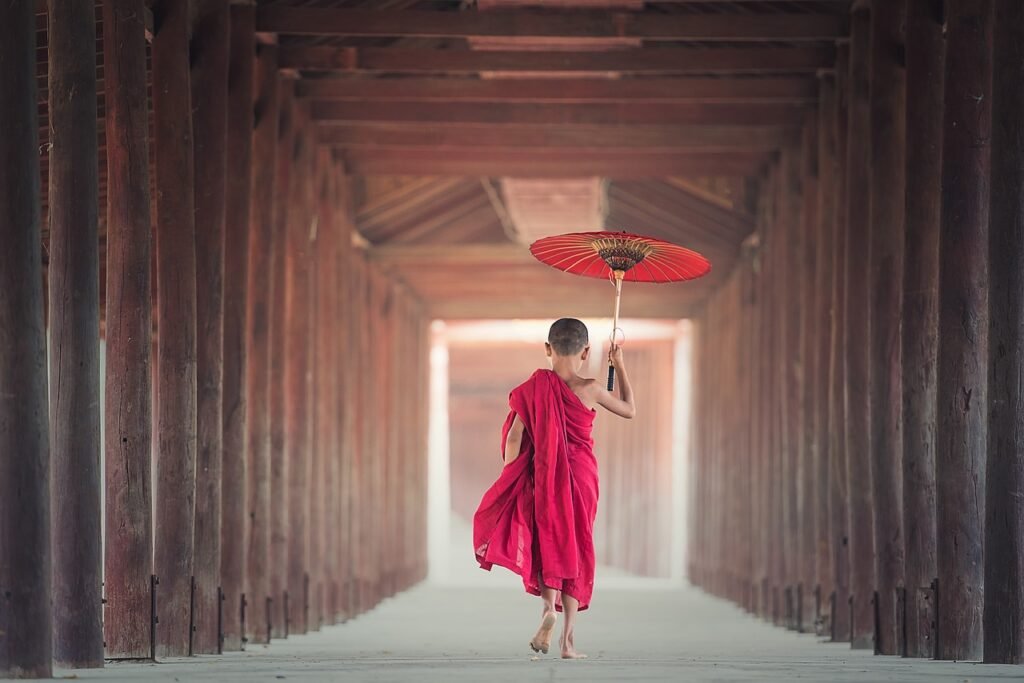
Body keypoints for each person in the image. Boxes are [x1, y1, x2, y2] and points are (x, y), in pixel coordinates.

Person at [473, 318, 635, 660]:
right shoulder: (591, 388)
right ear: (586, 351)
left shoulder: (534, 387)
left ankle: (548, 609)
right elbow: (629, 410)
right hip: (583, 476)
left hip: (545, 475)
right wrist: (619, 366)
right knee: (577, 544)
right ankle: (568, 642)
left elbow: (516, 436)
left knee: (549, 540)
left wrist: (511, 475)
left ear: (548, 349)